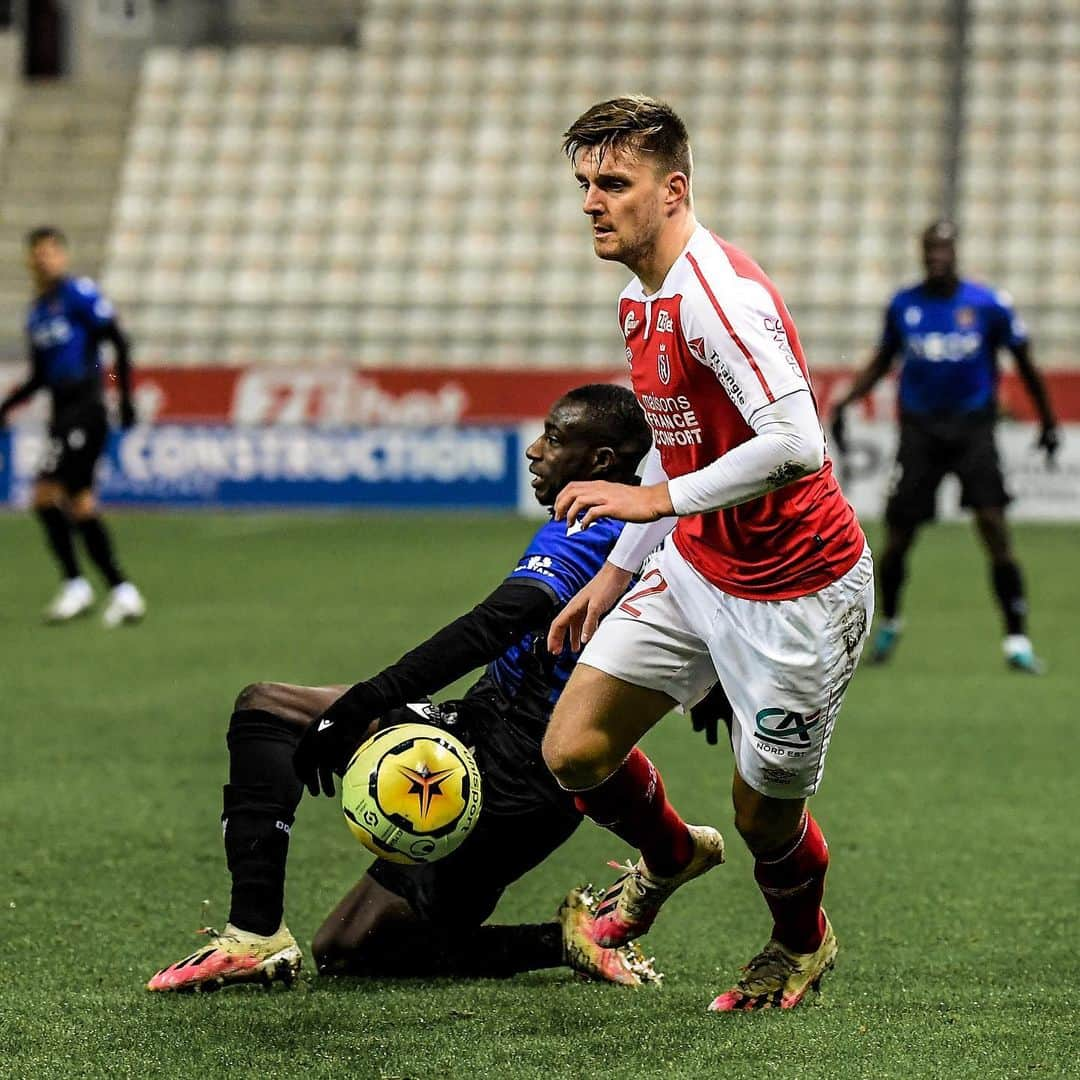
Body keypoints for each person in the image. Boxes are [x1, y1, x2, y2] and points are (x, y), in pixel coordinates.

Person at [148, 385, 667, 993]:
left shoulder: (599, 531)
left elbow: (496, 623)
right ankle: (257, 935)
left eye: (553, 439)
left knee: (348, 942)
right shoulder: (632, 528)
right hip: (485, 730)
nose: (533, 450)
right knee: (271, 718)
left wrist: (364, 703)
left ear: (602, 462)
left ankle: (561, 939)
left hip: (518, 782)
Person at [536, 97, 873, 1013]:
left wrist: (653, 501)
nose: (592, 203)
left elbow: (798, 440)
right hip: (697, 566)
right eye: (584, 185)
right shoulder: (640, 298)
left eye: (614, 183)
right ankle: (669, 855)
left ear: (673, 188)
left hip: (800, 589)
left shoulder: (719, 298)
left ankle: (800, 941)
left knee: (764, 815)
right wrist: (617, 569)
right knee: (573, 751)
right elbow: (673, 446)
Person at [830, 220, 1059, 673]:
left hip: (973, 430)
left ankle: (1016, 639)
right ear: (922, 253)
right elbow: (882, 360)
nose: (937, 256)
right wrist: (848, 402)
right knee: (897, 538)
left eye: (944, 248)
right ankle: (890, 622)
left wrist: (1047, 420)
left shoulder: (987, 305)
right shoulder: (904, 305)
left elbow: (1026, 362)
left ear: (956, 253)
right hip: (919, 433)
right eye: (930, 248)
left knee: (994, 527)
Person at [0, 226, 146, 626]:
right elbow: (39, 375)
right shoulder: (36, 312)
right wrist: (7, 407)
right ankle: (110, 589)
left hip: (86, 408)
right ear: (29, 260)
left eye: (50, 252)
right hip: (62, 412)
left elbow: (117, 341)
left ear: (62, 256)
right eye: (37, 253)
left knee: (54, 495)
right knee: (64, 500)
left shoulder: (79, 294)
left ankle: (96, 587)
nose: (43, 259)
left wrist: (123, 394)